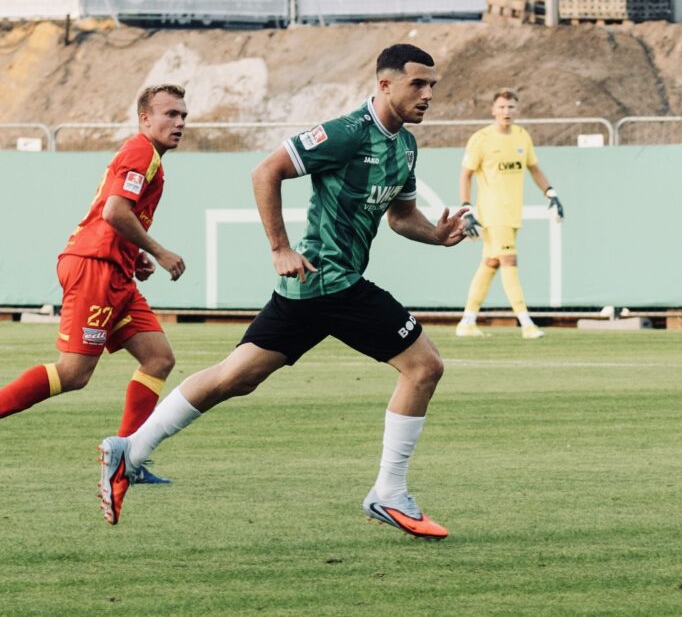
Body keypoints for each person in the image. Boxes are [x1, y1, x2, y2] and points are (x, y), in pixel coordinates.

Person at [96, 44, 469, 540]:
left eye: (431, 86)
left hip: (307, 290)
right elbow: (265, 171)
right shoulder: (346, 132)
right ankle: (389, 492)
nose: (427, 95)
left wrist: (437, 236)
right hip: (332, 281)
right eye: (417, 84)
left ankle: (132, 449)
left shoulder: (405, 147)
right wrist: (279, 247)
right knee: (425, 366)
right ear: (384, 84)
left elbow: (402, 217)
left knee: (236, 378)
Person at [0, 84, 190, 484]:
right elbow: (114, 211)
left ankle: (126, 460)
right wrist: (160, 252)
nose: (179, 122)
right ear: (145, 118)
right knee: (74, 373)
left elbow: (115, 215)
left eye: (183, 115)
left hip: (115, 270)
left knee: (159, 358)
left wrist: (135, 254)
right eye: (170, 114)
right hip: (94, 269)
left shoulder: (149, 158)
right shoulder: (141, 151)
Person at [455, 88, 564, 339]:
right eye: (502, 107)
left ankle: (467, 322)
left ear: (517, 110)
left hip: (513, 213)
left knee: (490, 263)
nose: (506, 112)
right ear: (493, 110)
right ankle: (526, 323)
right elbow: (466, 174)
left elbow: (534, 168)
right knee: (509, 261)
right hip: (493, 213)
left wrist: (551, 193)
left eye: (511, 107)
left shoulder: (522, 136)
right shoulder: (481, 139)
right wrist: (466, 208)